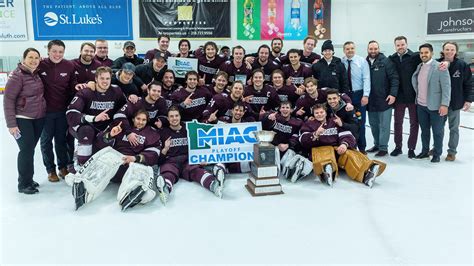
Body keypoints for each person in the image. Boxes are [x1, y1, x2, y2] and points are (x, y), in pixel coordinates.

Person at [66, 110, 162, 211]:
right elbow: (99, 142)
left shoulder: (151, 133)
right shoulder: (120, 127)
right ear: (133, 119)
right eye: (138, 119)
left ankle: (132, 194)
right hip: (116, 161)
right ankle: (84, 188)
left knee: (141, 169)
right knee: (106, 159)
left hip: (132, 164)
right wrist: (110, 135)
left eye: (144, 120)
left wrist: (135, 158)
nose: (140, 122)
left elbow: (154, 153)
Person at [299, 104, 386, 188]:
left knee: (350, 153)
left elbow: (347, 134)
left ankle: (367, 171)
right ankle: (326, 170)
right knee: (324, 150)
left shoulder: (334, 121)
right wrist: (315, 134)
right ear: (313, 114)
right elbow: (302, 139)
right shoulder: (309, 124)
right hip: (321, 150)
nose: (319, 115)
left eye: (321, 112)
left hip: (337, 150)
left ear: (325, 112)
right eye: (316, 113)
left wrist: (344, 144)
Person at [154, 106, 226, 205]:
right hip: (170, 161)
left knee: (196, 171)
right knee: (168, 172)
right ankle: (165, 189)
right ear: (168, 119)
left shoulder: (189, 129)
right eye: (171, 116)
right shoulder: (162, 133)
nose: (174, 118)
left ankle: (214, 185)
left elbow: (201, 143)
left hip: (187, 160)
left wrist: (202, 157)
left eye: (176, 116)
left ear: (180, 117)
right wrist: (165, 149)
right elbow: (159, 160)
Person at [4, 48, 46, 194]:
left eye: (36, 57)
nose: (33, 60)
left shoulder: (36, 74)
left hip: (38, 118)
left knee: (29, 150)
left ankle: (29, 179)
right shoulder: (17, 76)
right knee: (26, 150)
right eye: (30, 57)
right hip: (23, 119)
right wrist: (11, 124)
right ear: (23, 59)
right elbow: (8, 100)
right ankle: (23, 184)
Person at [66, 67, 126, 165]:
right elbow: (71, 113)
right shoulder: (86, 92)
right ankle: (81, 165)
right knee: (87, 131)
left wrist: (133, 99)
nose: (105, 81)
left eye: (108, 79)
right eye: (102, 78)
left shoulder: (116, 90)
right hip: (85, 126)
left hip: (104, 127)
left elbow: (125, 109)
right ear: (96, 79)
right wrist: (94, 118)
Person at [39, 40, 78, 182]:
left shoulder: (69, 65)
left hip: (62, 110)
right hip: (45, 112)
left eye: (60, 51)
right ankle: (50, 170)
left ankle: (63, 167)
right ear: (48, 51)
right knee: (46, 141)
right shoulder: (41, 64)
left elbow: (72, 84)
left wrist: (77, 87)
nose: (57, 54)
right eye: (54, 51)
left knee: (61, 140)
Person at [411, 43, 451, 163]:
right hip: (421, 105)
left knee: (437, 132)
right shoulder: (419, 66)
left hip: (436, 106)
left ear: (432, 53)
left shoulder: (440, 67)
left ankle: (437, 154)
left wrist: (444, 105)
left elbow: (447, 87)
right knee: (425, 131)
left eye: (426, 52)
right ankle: (424, 151)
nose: (424, 55)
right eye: (422, 53)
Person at [437, 41, 473, 161]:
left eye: (452, 49)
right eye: (447, 49)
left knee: (454, 128)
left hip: (455, 103)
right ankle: (436, 148)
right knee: (438, 128)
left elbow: (469, 84)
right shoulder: (437, 63)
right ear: (443, 50)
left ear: (456, 51)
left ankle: (452, 152)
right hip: (440, 103)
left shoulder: (462, 65)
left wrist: (468, 100)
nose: (449, 52)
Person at [260, 101, 312, 183]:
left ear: (291, 110)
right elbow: (263, 126)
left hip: (287, 149)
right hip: (274, 148)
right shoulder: (274, 117)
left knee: (291, 153)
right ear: (280, 109)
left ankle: (296, 168)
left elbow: (297, 136)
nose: (285, 109)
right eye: (283, 107)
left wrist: (288, 145)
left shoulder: (297, 122)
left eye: (287, 107)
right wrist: (267, 118)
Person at [388, 36, 421, 158]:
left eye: (402, 44)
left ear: (406, 44)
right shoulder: (392, 59)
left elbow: (429, 60)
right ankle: (398, 147)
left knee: (414, 123)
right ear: (395, 46)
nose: (400, 47)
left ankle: (411, 148)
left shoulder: (415, 57)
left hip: (413, 96)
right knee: (398, 122)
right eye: (398, 45)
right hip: (399, 97)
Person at [366, 40, 399, 157]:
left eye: (375, 49)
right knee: (373, 124)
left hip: (385, 100)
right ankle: (377, 144)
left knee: (384, 125)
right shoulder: (365, 62)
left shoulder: (386, 61)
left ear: (378, 49)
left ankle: (383, 148)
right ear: (368, 49)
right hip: (370, 101)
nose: (373, 51)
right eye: (371, 49)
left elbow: (394, 78)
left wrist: (393, 94)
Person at [341, 41, 371, 153]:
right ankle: (350, 147)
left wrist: (366, 95)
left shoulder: (362, 61)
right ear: (344, 50)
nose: (350, 50)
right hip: (346, 95)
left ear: (355, 49)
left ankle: (362, 148)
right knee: (347, 122)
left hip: (359, 95)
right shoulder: (341, 61)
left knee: (360, 122)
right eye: (347, 49)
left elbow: (366, 79)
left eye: (352, 48)